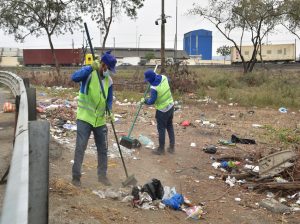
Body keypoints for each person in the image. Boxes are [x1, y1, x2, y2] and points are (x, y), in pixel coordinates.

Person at [71, 51, 117, 187]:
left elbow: (108, 99)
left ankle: (102, 176)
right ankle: (76, 177)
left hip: (100, 121)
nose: (109, 72)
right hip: (85, 118)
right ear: (103, 65)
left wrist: (109, 111)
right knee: (81, 147)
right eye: (109, 69)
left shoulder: (109, 81)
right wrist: (90, 67)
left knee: (103, 149)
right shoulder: (90, 74)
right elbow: (74, 77)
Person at [141, 69, 175, 155]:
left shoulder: (154, 88)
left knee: (161, 129)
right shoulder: (164, 77)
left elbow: (151, 101)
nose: (147, 82)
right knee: (170, 126)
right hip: (171, 105)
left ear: (151, 79)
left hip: (162, 110)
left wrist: (144, 101)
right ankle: (171, 147)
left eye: (148, 80)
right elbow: (168, 80)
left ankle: (161, 149)